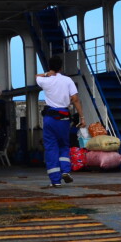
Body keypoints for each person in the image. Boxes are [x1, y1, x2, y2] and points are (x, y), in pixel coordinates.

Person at [36, 55, 84, 187]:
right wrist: (82, 117)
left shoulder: (44, 81)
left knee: (51, 148)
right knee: (64, 145)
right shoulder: (68, 80)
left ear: (50, 67)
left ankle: (55, 181)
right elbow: (75, 99)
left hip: (50, 119)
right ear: (61, 67)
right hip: (64, 118)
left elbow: (36, 76)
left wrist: (47, 73)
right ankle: (66, 170)